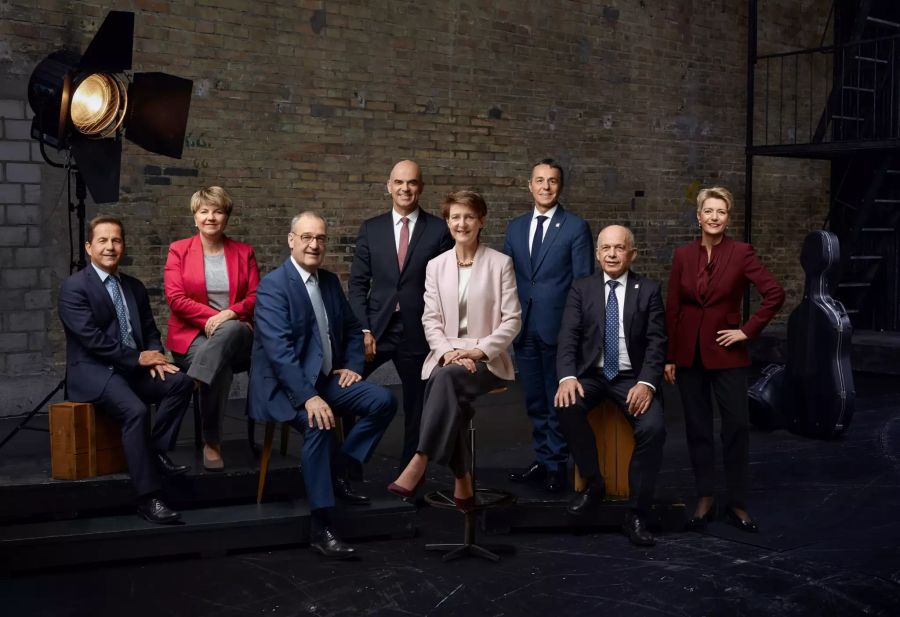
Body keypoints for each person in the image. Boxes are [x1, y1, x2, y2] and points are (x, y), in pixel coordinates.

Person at [249, 211, 397, 559]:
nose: (314, 245)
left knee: (383, 401)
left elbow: (350, 329)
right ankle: (322, 524)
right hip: (285, 388)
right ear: (291, 240)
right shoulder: (273, 286)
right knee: (319, 425)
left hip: (327, 379)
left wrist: (353, 367)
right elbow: (280, 353)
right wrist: (310, 396)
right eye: (306, 237)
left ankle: (341, 466)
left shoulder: (328, 281)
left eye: (320, 238)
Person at [388, 190, 521, 511]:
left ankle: (419, 460)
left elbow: (512, 320)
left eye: (469, 217)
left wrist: (477, 353)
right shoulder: (436, 266)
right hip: (446, 358)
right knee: (452, 392)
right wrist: (448, 353)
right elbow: (430, 318)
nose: (462, 223)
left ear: (481, 221)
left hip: (486, 362)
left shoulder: (500, 264)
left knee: (444, 381)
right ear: (448, 222)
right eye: (455, 217)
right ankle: (462, 479)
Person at [58, 216, 194, 524]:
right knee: (136, 411)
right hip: (95, 371)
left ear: (124, 246)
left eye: (116, 240)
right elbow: (92, 339)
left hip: (132, 369)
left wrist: (156, 355)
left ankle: (156, 452)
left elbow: (148, 329)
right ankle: (148, 498)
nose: (110, 247)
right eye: (103, 241)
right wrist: (138, 359)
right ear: (89, 247)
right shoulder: (74, 287)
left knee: (181, 382)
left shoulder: (133, 286)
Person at [664, 186, 785, 533]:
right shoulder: (683, 255)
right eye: (709, 211)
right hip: (688, 355)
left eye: (722, 212)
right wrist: (670, 356)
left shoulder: (741, 253)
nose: (715, 217)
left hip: (728, 354)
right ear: (698, 216)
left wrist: (746, 331)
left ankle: (737, 502)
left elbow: (774, 293)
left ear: (727, 217)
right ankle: (705, 497)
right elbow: (673, 306)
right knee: (697, 428)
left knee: (735, 428)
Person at [554, 225, 667, 546]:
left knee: (654, 427)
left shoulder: (648, 289)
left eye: (619, 248)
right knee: (565, 403)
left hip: (631, 377)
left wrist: (647, 383)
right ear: (598, 253)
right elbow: (568, 338)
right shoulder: (581, 288)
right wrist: (567, 377)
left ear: (632, 254)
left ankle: (636, 513)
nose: (612, 254)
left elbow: (657, 341)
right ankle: (593, 483)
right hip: (591, 374)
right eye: (606, 248)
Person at [349, 160, 453, 467]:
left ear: (420, 187)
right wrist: (364, 329)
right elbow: (356, 285)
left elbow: (446, 287)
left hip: (418, 330)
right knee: (345, 390)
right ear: (389, 186)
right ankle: (348, 465)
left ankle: (410, 475)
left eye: (412, 183)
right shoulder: (372, 228)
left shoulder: (437, 230)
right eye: (399, 182)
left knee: (417, 406)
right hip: (376, 330)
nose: (405, 188)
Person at [503, 158, 594, 493]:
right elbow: (506, 280)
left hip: (559, 328)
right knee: (535, 400)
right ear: (530, 185)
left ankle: (558, 464)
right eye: (539, 180)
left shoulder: (575, 227)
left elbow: (583, 284)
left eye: (552, 181)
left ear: (560, 186)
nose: (545, 187)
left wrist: (576, 330)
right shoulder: (515, 228)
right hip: (524, 328)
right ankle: (543, 459)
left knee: (559, 400)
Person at [164, 186, 258, 471]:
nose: (211, 217)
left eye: (217, 211)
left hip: (238, 335)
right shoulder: (179, 250)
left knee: (233, 330)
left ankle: (192, 381)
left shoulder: (244, 252)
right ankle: (212, 443)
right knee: (220, 367)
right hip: (192, 338)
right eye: (204, 211)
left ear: (226, 217)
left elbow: (255, 298)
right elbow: (175, 299)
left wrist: (229, 313)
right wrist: (211, 318)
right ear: (195, 217)